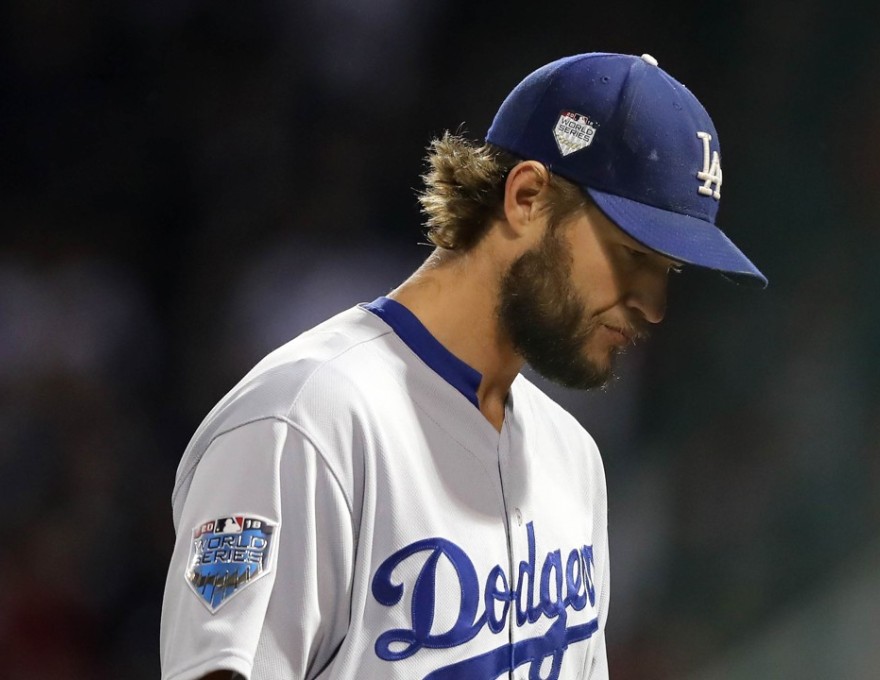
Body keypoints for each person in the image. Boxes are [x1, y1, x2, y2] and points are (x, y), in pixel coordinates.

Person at [159, 52, 767, 680]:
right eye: (631, 254)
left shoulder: (574, 460)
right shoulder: (306, 422)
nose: (653, 304)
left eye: (666, 271)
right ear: (527, 196)